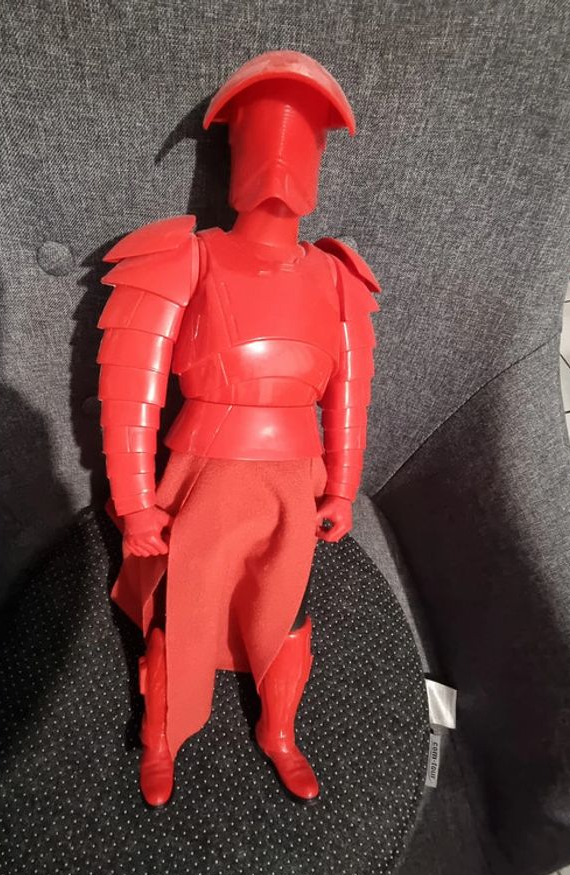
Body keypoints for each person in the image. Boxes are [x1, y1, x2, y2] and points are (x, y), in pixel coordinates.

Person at [97, 50, 380, 807]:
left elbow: (350, 394)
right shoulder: (183, 257)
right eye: (268, 133)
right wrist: (136, 503)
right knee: (179, 609)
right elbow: (131, 389)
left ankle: (278, 729)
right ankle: (163, 734)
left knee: (283, 611)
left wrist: (342, 487)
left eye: (302, 137)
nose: (282, 164)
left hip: (293, 480)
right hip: (204, 474)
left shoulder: (337, 277)